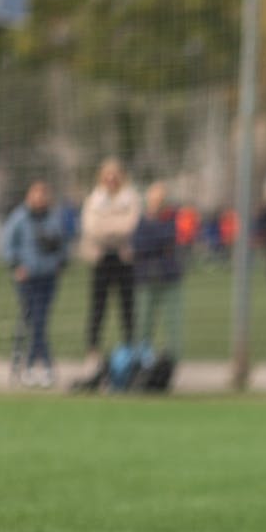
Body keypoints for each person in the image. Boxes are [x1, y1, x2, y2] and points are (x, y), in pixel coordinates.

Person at [4, 181, 69, 388]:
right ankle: (38, 366)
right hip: (27, 278)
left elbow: (63, 244)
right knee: (34, 321)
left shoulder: (54, 217)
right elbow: (9, 244)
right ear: (29, 196)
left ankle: (24, 365)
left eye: (43, 195)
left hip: (48, 277)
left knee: (37, 321)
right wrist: (16, 266)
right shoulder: (19, 217)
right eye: (36, 195)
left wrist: (60, 262)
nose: (39, 199)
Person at [79, 158, 141, 373]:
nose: (111, 179)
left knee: (127, 307)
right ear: (102, 177)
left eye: (115, 174)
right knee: (97, 308)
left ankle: (130, 351)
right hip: (101, 258)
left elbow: (130, 225)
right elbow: (92, 227)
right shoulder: (94, 199)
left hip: (124, 259)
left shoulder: (130, 198)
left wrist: (108, 227)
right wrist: (114, 228)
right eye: (108, 175)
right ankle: (92, 352)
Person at [131, 182, 184, 368]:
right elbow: (139, 244)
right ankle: (142, 360)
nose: (156, 203)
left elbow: (170, 237)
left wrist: (154, 240)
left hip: (169, 277)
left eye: (160, 200)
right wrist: (158, 242)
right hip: (146, 278)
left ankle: (172, 361)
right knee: (144, 321)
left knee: (173, 322)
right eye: (153, 200)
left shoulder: (172, 218)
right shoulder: (141, 221)